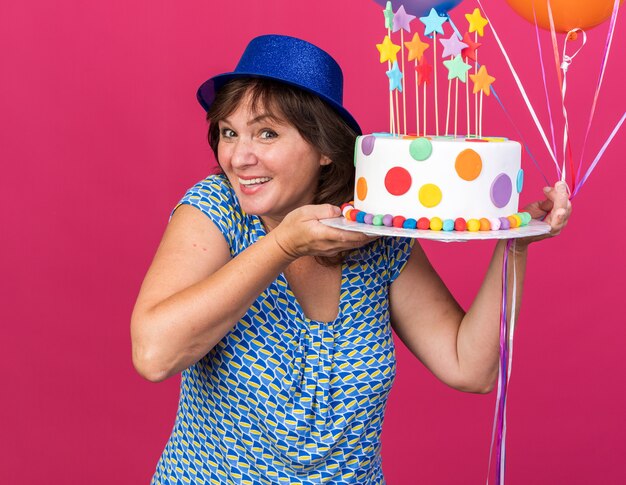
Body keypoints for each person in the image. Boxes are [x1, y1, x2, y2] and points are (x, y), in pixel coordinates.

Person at [131, 34, 571, 484]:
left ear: (324, 148)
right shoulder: (216, 209)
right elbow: (153, 354)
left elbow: (469, 367)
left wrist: (517, 242)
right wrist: (284, 246)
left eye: (267, 133)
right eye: (229, 132)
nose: (240, 157)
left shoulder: (374, 228)